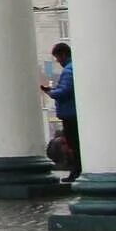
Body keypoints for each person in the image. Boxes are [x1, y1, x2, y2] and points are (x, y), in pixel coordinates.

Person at [40, 43, 78, 183]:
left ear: (63, 55)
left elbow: (65, 91)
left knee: (73, 145)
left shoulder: (68, 70)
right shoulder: (74, 67)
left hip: (70, 113)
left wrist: (51, 92)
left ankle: (76, 172)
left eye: (57, 57)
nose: (57, 61)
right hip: (73, 112)